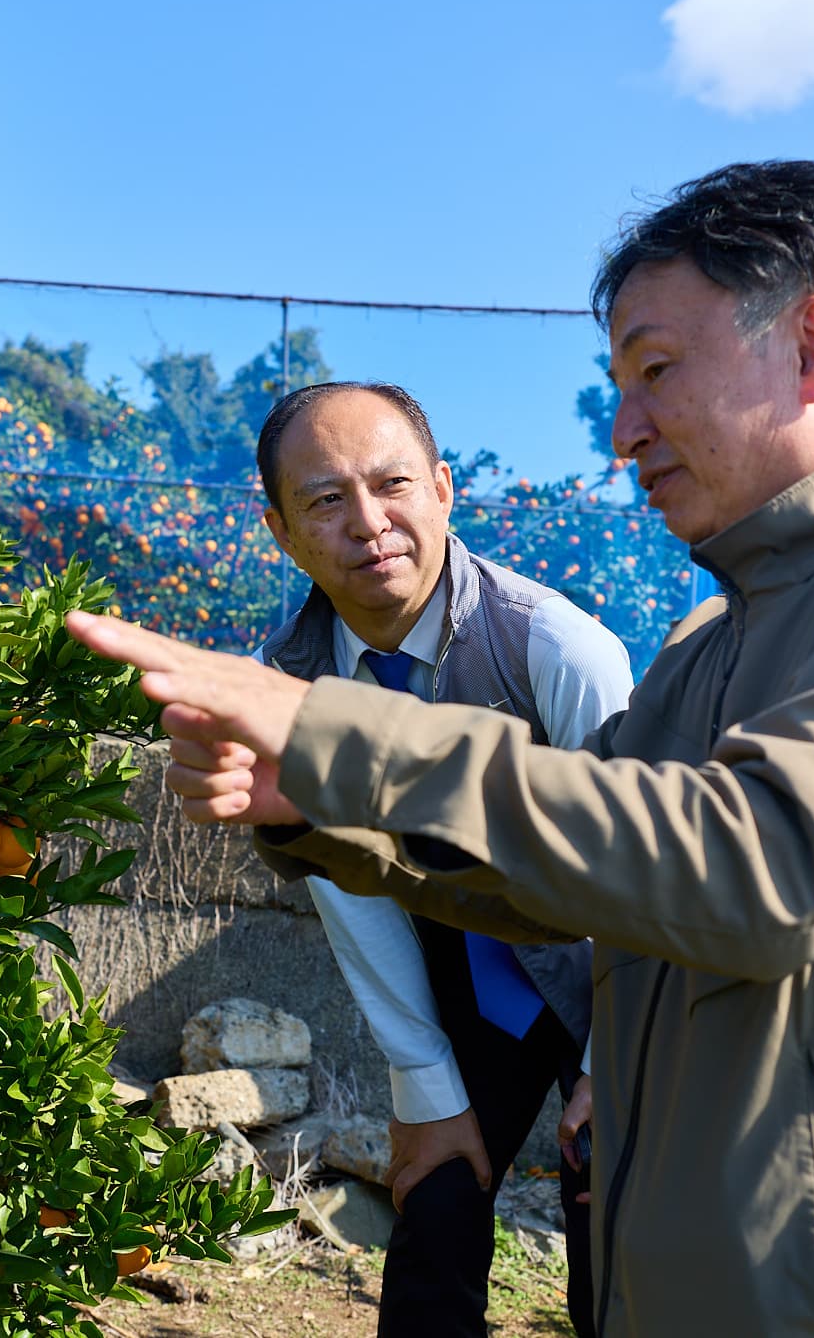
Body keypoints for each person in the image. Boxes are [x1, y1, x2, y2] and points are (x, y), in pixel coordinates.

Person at [69, 160, 814, 1335]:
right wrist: (311, 810)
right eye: (618, 386)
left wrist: (339, 732)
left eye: (656, 373)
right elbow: (585, 883)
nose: (623, 431)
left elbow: (767, 864)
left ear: (812, 345)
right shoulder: (707, 650)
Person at [249, 379, 632, 1337]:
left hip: (610, 963)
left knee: (616, 1234)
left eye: (393, 484)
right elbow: (354, 895)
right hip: (463, 974)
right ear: (282, 531)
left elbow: (637, 871)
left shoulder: (557, 648)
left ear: (445, 490)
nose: (369, 524)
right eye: (326, 500)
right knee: (437, 1205)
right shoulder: (288, 682)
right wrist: (423, 1088)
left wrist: (618, 1064)